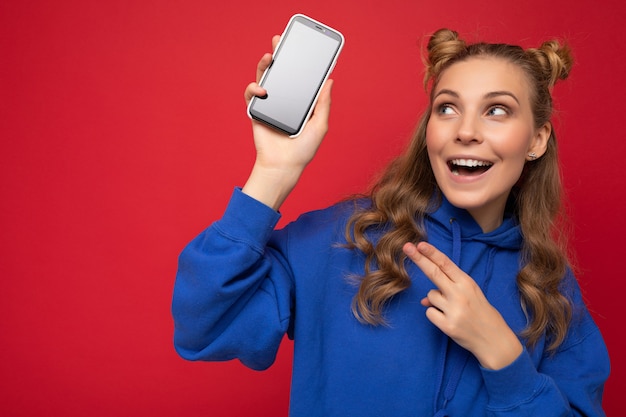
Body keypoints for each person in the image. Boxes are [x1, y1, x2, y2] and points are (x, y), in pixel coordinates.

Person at [171, 28, 610, 416]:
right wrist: (273, 171)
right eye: (447, 108)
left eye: (497, 110)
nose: (466, 131)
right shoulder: (338, 239)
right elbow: (202, 328)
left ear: (536, 140)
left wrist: (503, 356)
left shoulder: (549, 287)